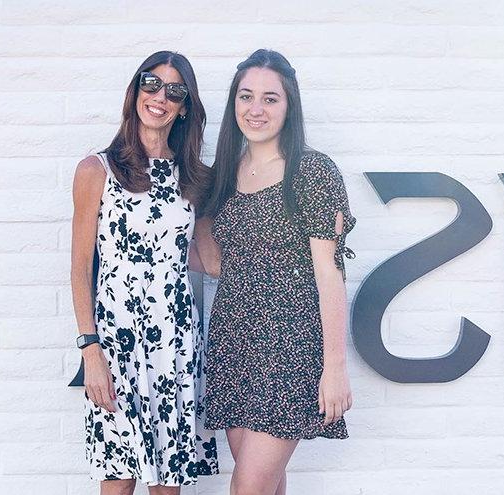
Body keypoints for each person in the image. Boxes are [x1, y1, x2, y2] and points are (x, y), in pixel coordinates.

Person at [194, 49, 354, 495]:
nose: (256, 109)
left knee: (247, 489)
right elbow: (213, 265)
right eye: (246, 97)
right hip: (234, 346)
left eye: (270, 98)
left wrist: (335, 367)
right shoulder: (223, 175)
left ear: (290, 106)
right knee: (265, 486)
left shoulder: (312, 171)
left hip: (290, 349)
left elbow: (330, 274)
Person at [69, 50, 218, 494]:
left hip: (176, 341)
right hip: (116, 342)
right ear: (135, 90)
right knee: (117, 480)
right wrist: (89, 350)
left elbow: (209, 261)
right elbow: (80, 269)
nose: (160, 96)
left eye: (175, 90)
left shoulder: (196, 178)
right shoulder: (97, 169)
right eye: (151, 83)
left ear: (185, 105)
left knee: (167, 484)